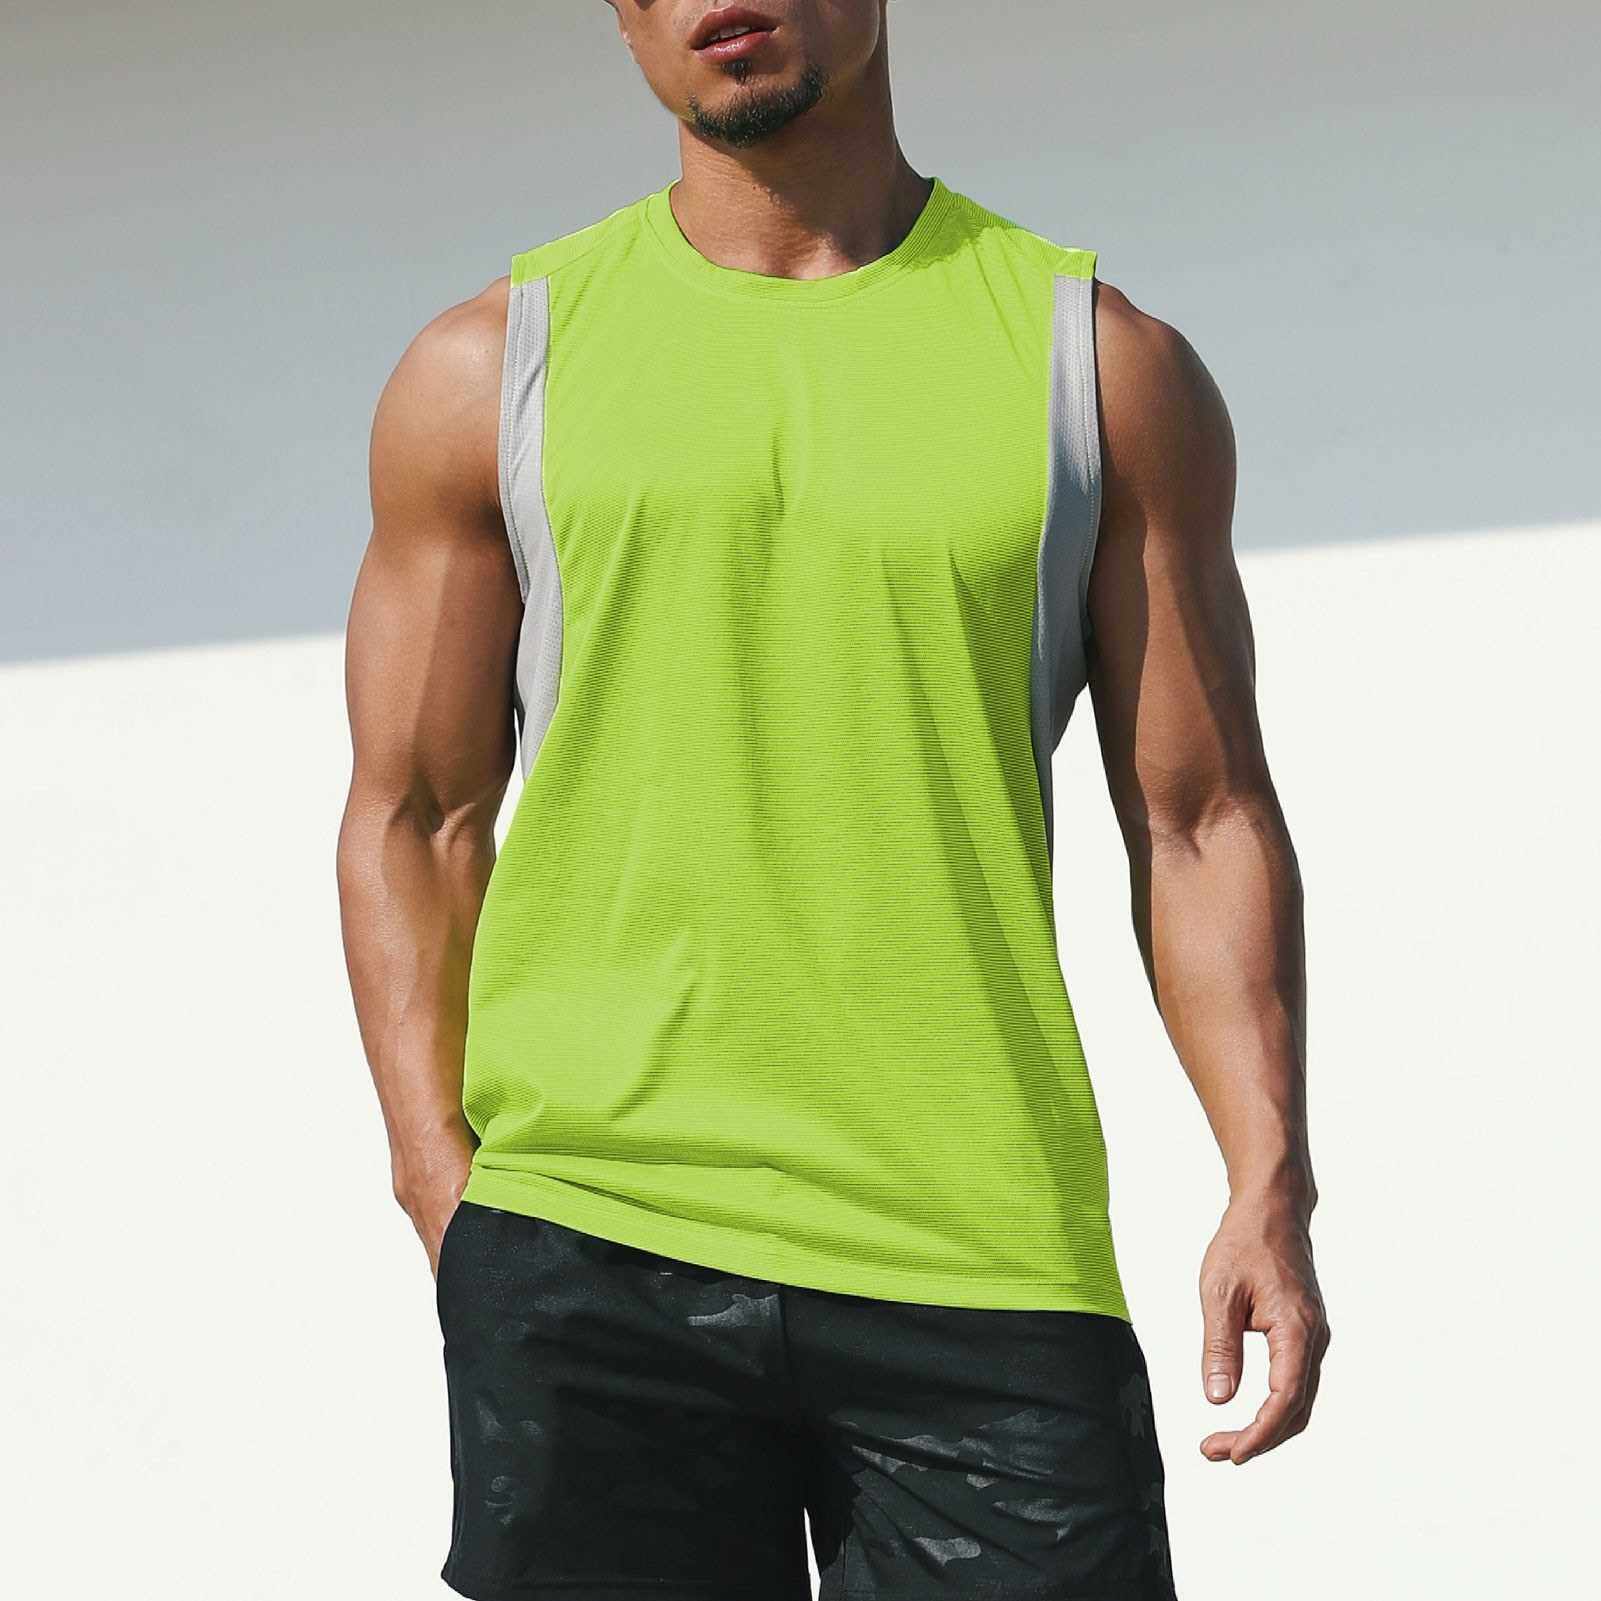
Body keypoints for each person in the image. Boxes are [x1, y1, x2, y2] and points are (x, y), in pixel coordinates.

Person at [336, 3, 1330, 1597]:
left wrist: (1265, 1174)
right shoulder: (488, 370)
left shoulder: (1097, 366)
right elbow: (414, 815)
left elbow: (1201, 815)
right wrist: (440, 1188)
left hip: (983, 1251)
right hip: (593, 1247)